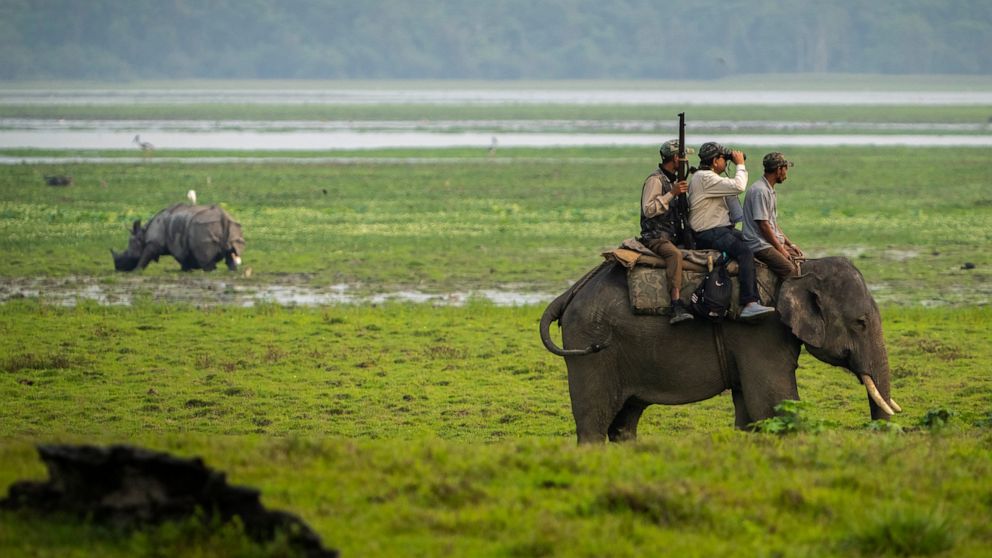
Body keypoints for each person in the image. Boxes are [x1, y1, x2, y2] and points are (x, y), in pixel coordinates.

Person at [687, 142, 775, 320]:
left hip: (718, 229)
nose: (725, 163)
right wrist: (740, 164)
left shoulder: (709, 178)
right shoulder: (705, 178)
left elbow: (733, 193)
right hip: (709, 232)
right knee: (745, 252)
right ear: (714, 161)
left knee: (751, 240)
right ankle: (749, 302)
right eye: (723, 159)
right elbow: (739, 186)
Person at [640, 139, 694, 324]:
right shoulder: (655, 180)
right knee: (674, 255)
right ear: (676, 158)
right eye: (683, 156)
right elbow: (648, 209)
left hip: (671, 234)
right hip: (656, 236)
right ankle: (675, 302)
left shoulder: (674, 180)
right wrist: (672, 193)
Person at [743, 152, 804, 280]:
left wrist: (790, 244)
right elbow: (764, 226)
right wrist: (781, 250)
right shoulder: (760, 191)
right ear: (778, 170)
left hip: (768, 242)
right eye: (785, 169)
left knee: (801, 260)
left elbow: (773, 224)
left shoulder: (769, 189)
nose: (786, 174)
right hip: (760, 245)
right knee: (789, 270)